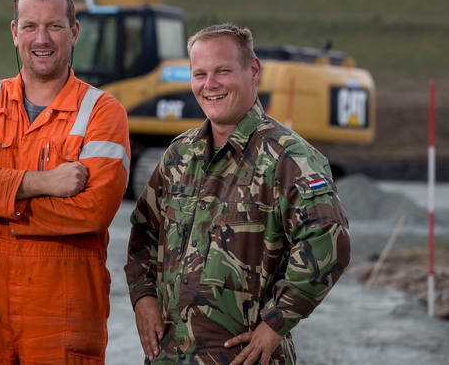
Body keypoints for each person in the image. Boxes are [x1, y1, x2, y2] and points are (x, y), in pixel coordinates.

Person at [0, 0, 131, 363]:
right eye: (30, 26)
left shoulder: (102, 112)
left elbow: (94, 210)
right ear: (14, 32)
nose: (42, 39)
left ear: (74, 32)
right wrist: (44, 182)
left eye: (54, 26)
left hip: (64, 318)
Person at [124, 24, 350, 364]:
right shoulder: (179, 156)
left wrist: (276, 324)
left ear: (253, 70)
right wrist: (143, 298)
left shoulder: (287, 158)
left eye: (222, 71)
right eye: (200, 74)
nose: (210, 84)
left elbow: (329, 240)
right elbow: (143, 235)